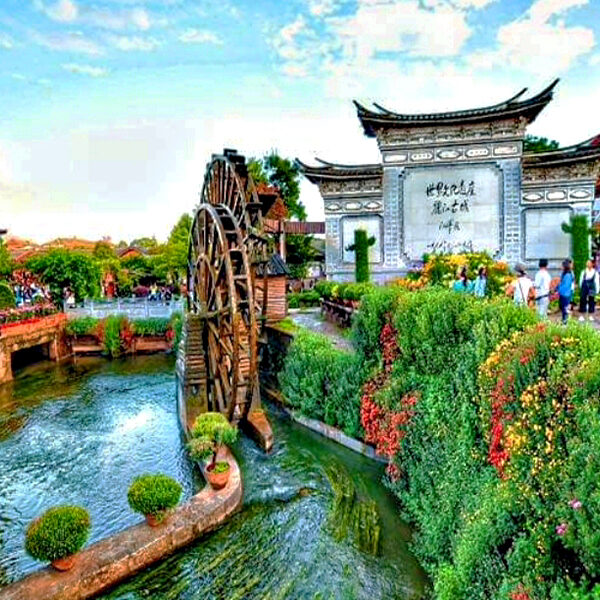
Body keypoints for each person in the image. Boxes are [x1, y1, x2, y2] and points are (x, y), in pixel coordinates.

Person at [556, 259, 574, 325]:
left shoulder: (568, 275)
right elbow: (561, 284)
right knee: (563, 309)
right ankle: (564, 322)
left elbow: (565, 286)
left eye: (562, 266)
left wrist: (558, 290)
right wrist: (556, 288)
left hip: (566, 295)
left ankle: (565, 323)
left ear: (565, 266)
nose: (561, 267)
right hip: (563, 295)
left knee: (565, 310)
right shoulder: (564, 274)